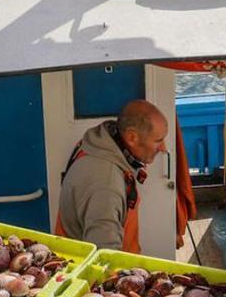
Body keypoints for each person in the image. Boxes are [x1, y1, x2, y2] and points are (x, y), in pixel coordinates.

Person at [56, 100, 169, 252]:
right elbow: (105, 255)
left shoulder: (98, 146)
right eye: (158, 140)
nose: (163, 148)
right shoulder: (105, 185)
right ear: (131, 137)